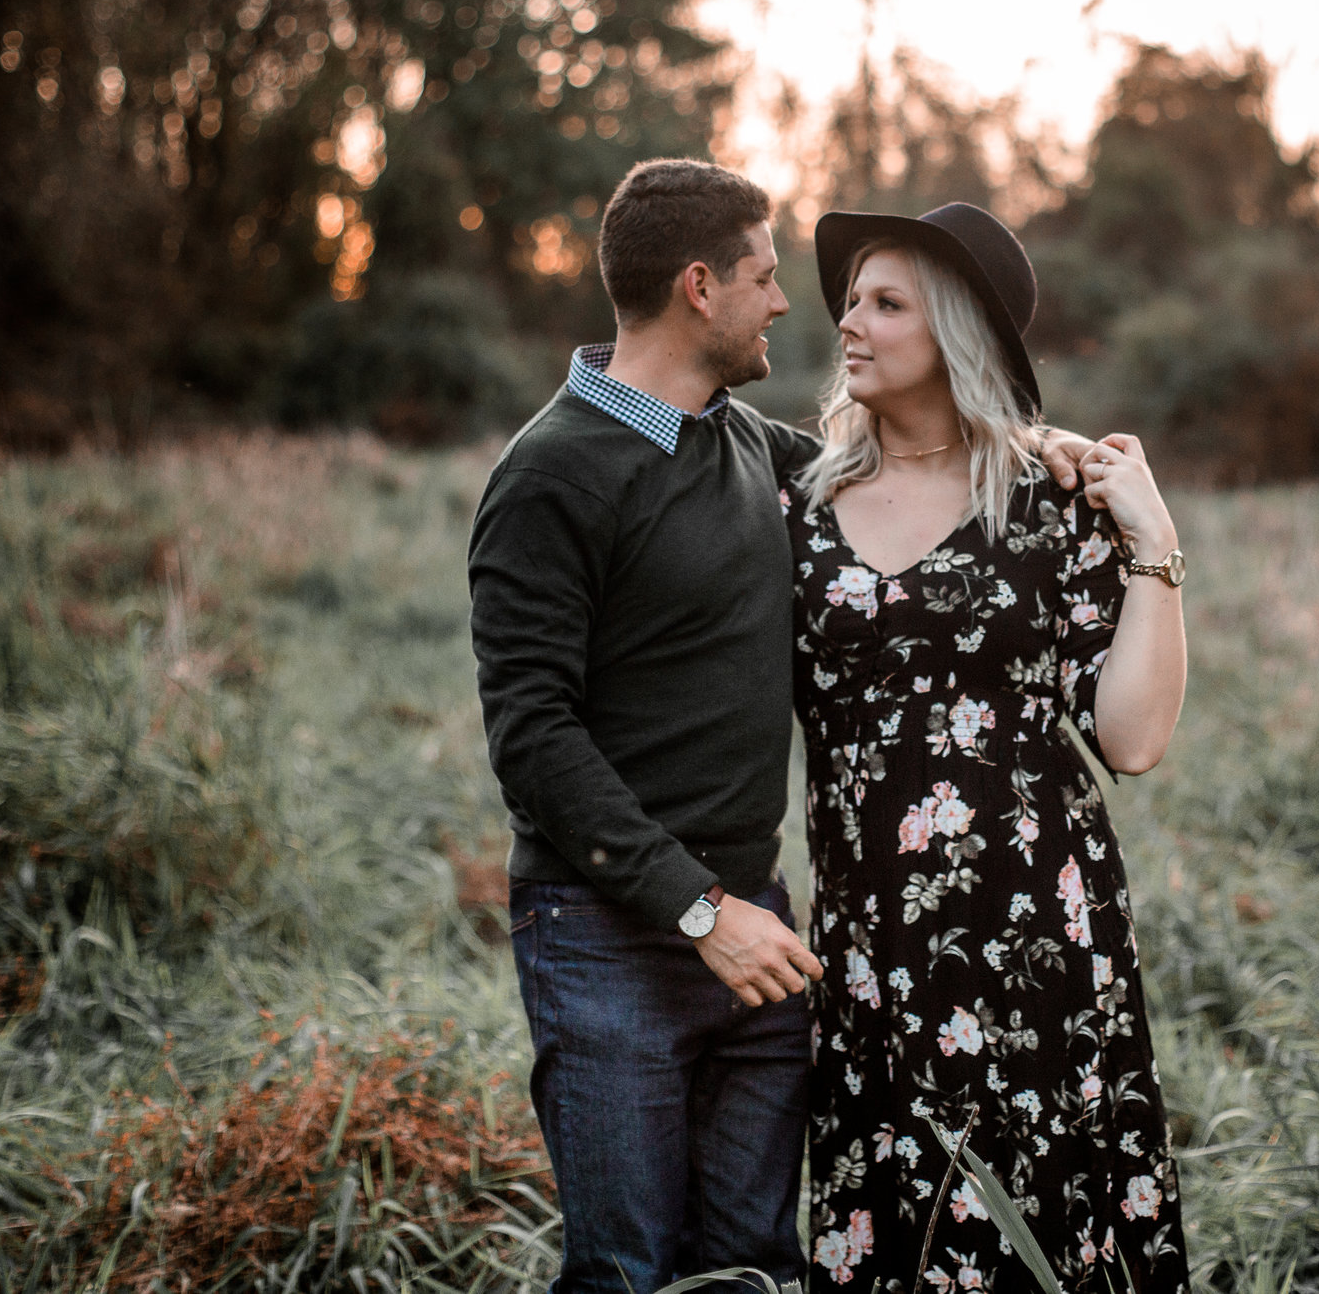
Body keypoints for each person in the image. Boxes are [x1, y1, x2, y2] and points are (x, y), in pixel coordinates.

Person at [469, 163, 1098, 1294]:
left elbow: (914, 481)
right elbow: (531, 734)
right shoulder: (551, 473)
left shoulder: (755, 452)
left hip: (757, 932)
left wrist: (1042, 448)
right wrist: (698, 910)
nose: (785, 304)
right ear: (699, 287)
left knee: (756, 1266)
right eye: (765, 278)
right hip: (607, 936)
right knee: (627, 1270)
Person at [787, 203, 1190, 1293]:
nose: (850, 323)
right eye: (849, 301)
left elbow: (1133, 737)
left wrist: (1151, 544)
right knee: (897, 1220)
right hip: (869, 946)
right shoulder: (799, 503)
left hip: (1039, 936)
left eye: (885, 301)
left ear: (954, 331)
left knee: (1039, 1217)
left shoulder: (1049, 503)